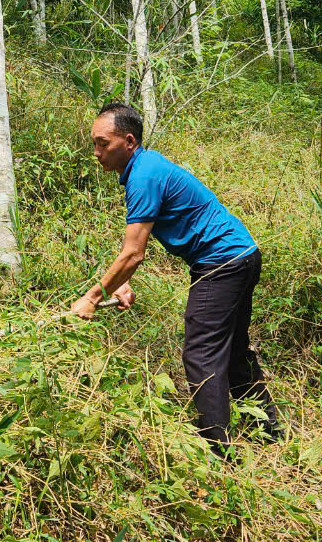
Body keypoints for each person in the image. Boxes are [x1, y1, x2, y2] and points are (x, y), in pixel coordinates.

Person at [69, 102, 282, 457]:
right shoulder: (146, 168)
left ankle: (217, 452)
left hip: (221, 262)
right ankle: (269, 431)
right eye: (93, 144)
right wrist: (119, 282)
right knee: (230, 350)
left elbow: (133, 253)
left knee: (201, 354)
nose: (96, 153)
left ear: (129, 140)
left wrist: (92, 297)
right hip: (242, 254)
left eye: (103, 143)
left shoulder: (144, 175)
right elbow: (139, 244)